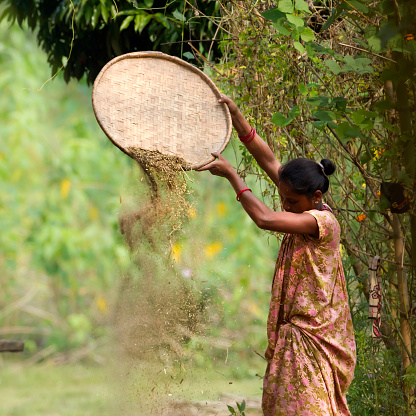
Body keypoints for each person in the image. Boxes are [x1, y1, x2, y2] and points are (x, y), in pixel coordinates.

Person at [198, 95, 356, 416]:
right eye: (282, 198)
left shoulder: (321, 221)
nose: (285, 206)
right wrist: (236, 113)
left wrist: (232, 175)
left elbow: (265, 220)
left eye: (291, 202)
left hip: (315, 339)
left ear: (315, 196)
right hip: (297, 337)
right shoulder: (302, 203)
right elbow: (268, 159)